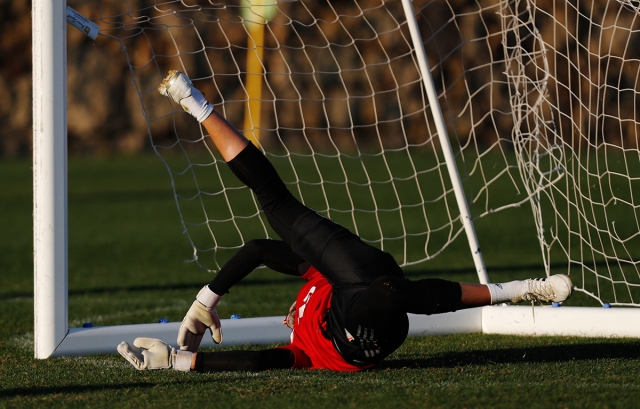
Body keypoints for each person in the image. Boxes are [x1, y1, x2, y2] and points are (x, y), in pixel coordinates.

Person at [117, 71, 573, 373]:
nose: (290, 317)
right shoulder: (309, 330)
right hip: (361, 325)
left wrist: (200, 314)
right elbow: (258, 355)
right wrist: (188, 341)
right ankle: (518, 289)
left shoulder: (308, 321)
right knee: (384, 286)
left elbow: (258, 252)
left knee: (288, 213)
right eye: (291, 317)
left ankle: (196, 104)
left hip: (364, 300)